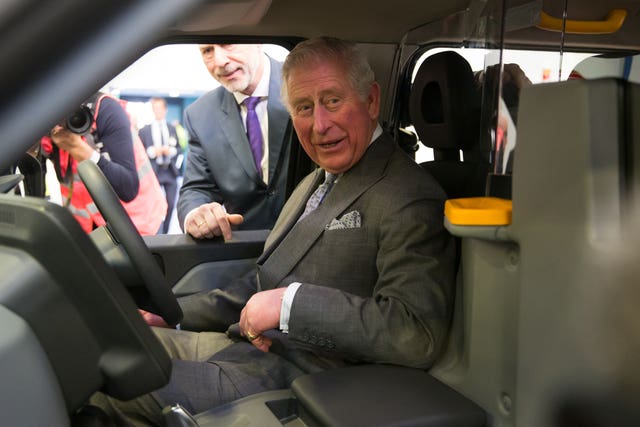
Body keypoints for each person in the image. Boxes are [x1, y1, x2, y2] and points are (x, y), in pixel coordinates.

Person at [94, 37, 456, 426]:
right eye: (303, 107)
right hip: (242, 347)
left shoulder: (407, 194)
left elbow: (415, 333)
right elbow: (267, 276)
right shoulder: (318, 181)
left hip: (298, 380)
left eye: (332, 100)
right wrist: (175, 316)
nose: (319, 125)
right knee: (96, 351)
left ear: (370, 101)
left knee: (105, 386)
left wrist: (290, 305)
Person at [177, 43, 292, 241]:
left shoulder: (304, 83)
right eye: (207, 51)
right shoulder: (200, 115)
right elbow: (197, 188)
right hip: (243, 252)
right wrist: (196, 214)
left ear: (258, 42)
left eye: (227, 44)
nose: (220, 61)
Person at [42, 92, 167, 235]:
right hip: (89, 230)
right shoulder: (52, 129)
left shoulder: (106, 110)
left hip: (138, 223)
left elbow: (128, 188)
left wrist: (78, 149)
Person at [139, 97, 183, 234]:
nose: (157, 111)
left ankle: (165, 231)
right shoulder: (144, 130)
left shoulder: (172, 128)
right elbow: (139, 152)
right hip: (153, 172)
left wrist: (170, 151)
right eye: (154, 108)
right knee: (154, 204)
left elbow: (180, 149)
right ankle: (156, 230)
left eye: (159, 108)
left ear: (165, 110)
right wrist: (152, 152)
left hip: (170, 171)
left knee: (170, 204)